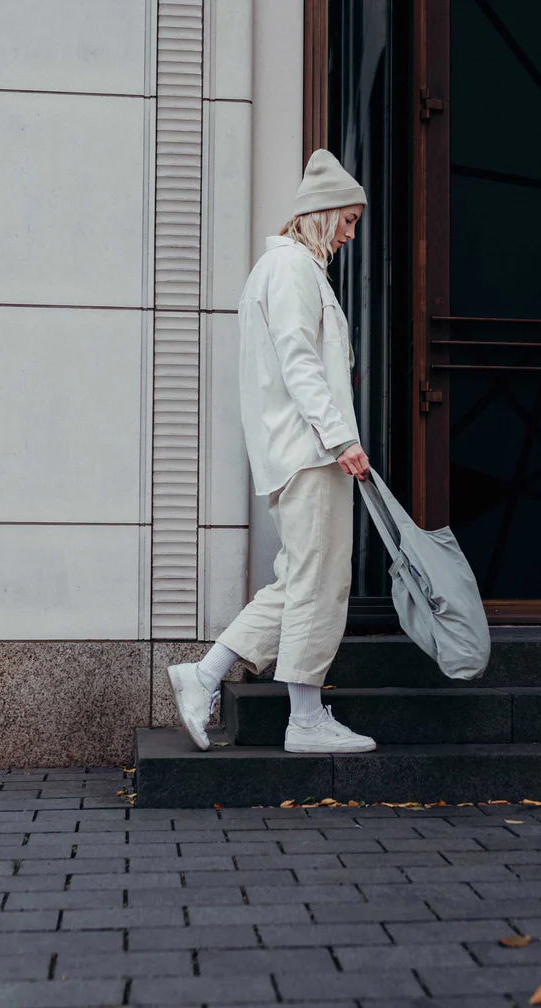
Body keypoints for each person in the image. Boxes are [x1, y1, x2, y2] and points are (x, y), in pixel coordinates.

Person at [168, 149, 376, 754]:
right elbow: (299, 363)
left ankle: (203, 674)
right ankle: (305, 721)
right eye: (347, 219)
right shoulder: (290, 271)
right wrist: (341, 437)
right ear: (322, 213)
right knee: (319, 580)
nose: (350, 232)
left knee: (299, 580)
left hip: (304, 449)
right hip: (311, 452)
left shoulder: (290, 270)